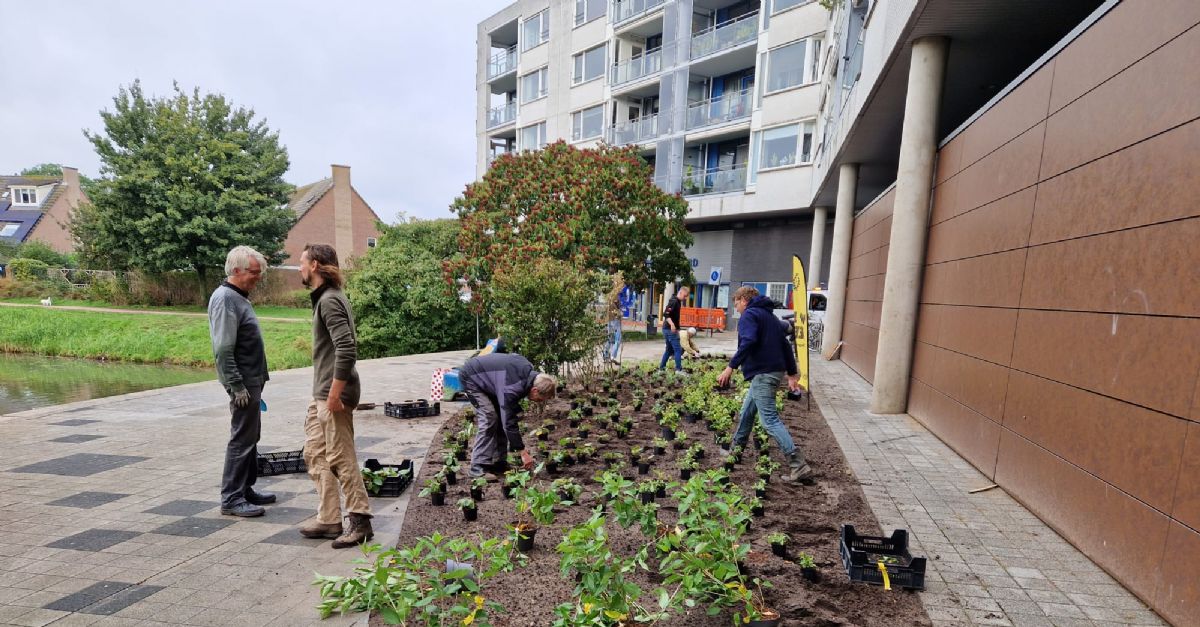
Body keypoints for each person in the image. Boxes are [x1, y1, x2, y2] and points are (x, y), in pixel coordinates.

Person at [296, 243, 373, 548]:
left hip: (333, 394)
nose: (299, 266)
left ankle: (360, 521)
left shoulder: (329, 301)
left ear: (315, 265)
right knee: (314, 452)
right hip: (322, 392)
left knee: (340, 456)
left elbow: (347, 347)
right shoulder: (324, 299)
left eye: (302, 262)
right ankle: (329, 518)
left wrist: (334, 394)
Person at [717, 285, 813, 483]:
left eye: (736, 303)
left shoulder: (749, 315)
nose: (736, 308)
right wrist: (792, 373)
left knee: (769, 420)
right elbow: (785, 344)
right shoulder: (770, 317)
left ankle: (799, 465)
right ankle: (736, 451)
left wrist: (730, 367)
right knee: (747, 412)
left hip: (763, 373)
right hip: (771, 372)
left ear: (744, 299)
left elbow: (749, 340)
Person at [208, 246, 274, 517]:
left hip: (252, 380)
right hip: (243, 383)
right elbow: (223, 348)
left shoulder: (238, 297)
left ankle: (245, 488)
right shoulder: (225, 299)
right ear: (236, 271)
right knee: (241, 438)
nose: (258, 278)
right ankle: (232, 498)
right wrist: (236, 386)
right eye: (254, 273)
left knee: (251, 435)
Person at [459, 352, 557, 478]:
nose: (540, 402)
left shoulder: (528, 373)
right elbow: (509, 422)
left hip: (490, 382)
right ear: (535, 390)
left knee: (500, 416)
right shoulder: (513, 386)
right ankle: (477, 466)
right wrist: (522, 452)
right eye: (541, 398)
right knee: (489, 418)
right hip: (472, 377)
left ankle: (499, 462)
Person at [659, 285, 689, 371]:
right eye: (684, 296)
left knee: (669, 350)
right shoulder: (674, 302)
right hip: (669, 329)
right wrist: (672, 324)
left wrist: (677, 328)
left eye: (686, 297)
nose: (685, 298)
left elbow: (674, 316)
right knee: (678, 349)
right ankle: (678, 370)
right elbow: (666, 314)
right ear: (680, 292)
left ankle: (662, 368)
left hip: (668, 329)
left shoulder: (677, 301)